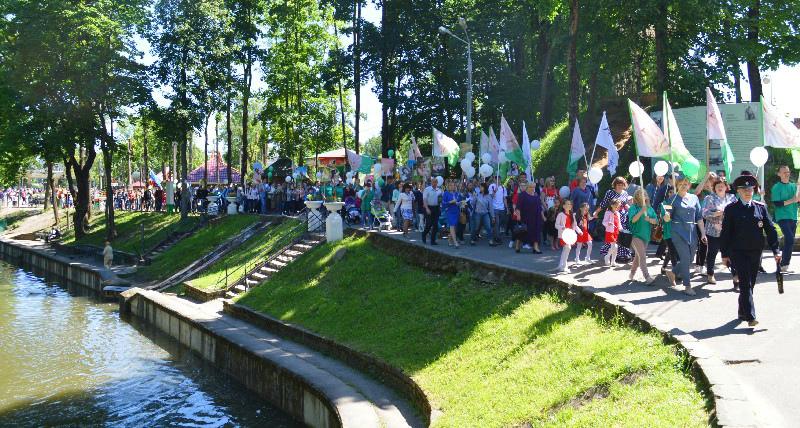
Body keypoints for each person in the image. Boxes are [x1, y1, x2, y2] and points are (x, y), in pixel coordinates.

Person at [720, 174, 780, 327]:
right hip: (738, 253)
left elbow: (771, 230)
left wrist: (776, 250)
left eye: (751, 189)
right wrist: (724, 254)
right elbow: (725, 233)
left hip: (755, 252)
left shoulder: (760, 207)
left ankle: (742, 311)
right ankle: (751, 317)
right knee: (745, 284)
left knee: (750, 284)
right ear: (738, 191)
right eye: (744, 189)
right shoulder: (731, 209)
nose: (748, 191)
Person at [663, 174, 707, 295]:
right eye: (681, 184)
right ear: (677, 185)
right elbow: (667, 217)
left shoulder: (694, 198)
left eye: (686, 183)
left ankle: (672, 272)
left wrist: (703, 233)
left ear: (689, 185)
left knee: (690, 258)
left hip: (692, 231)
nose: (683, 185)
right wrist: (666, 216)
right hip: (677, 231)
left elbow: (699, 217)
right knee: (685, 258)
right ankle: (687, 286)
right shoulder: (671, 198)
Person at [703, 179, 737, 284]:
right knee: (712, 252)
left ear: (727, 187)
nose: (720, 187)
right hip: (713, 231)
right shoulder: (709, 198)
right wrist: (715, 214)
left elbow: (737, 212)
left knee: (732, 254)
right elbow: (704, 213)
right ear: (714, 188)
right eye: (718, 185)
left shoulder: (732, 198)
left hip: (729, 231)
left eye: (722, 185)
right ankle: (710, 274)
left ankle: (736, 276)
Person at [594, 176, 633, 263]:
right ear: (615, 185)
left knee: (622, 235)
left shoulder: (625, 193)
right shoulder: (610, 192)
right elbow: (604, 203)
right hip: (612, 216)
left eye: (621, 184)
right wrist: (596, 212)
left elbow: (625, 205)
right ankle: (610, 254)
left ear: (624, 185)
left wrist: (631, 209)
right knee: (613, 236)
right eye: (618, 184)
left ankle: (621, 254)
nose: (619, 186)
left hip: (622, 218)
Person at [770, 165, 799, 273]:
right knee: (790, 239)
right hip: (782, 217)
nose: (787, 173)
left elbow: (797, 201)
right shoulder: (776, 187)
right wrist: (792, 200)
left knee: (789, 241)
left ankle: (784, 265)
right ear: (779, 174)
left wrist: (798, 198)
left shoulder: (794, 186)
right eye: (784, 172)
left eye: (788, 171)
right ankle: (783, 264)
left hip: (793, 216)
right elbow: (777, 203)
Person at [628, 189, 658, 284]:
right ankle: (647, 277)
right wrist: (641, 211)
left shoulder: (650, 208)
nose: (644, 195)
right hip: (635, 236)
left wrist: (650, 220)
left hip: (646, 236)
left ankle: (631, 274)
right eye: (641, 194)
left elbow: (656, 221)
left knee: (638, 257)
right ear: (637, 196)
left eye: (645, 193)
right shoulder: (633, 208)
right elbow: (633, 220)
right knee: (643, 256)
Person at [516, 181, 544, 253]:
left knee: (536, 232)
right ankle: (518, 244)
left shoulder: (536, 196)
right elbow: (518, 207)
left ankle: (536, 247)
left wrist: (543, 216)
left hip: (536, 217)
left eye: (534, 187)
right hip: (526, 217)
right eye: (531, 187)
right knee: (523, 232)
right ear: (527, 187)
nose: (532, 188)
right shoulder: (522, 195)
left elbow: (540, 208)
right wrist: (518, 215)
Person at [555, 200, 581, 273]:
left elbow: (574, 225)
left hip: (570, 235)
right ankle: (564, 266)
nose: (569, 205)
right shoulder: (560, 214)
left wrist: (579, 231)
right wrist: (562, 227)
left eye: (570, 204)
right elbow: (556, 225)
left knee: (565, 250)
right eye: (567, 204)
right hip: (563, 234)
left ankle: (561, 265)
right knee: (568, 248)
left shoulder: (572, 215)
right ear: (563, 206)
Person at [421, 178, 442, 245]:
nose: (434, 183)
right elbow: (424, 200)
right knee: (429, 224)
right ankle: (424, 234)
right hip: (428, 207)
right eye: (433, 182)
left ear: (437, 183)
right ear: (431, 182)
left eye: (436, 182)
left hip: (436, 208)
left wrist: (440, 207)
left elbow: (440, 200)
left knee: (435, 225)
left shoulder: (439, 190)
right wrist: (427, 208)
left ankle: (433, 241)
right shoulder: (427, 189)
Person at [442, 181, 462, 248]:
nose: (452, 186)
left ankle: (450, 239)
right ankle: (455, 242)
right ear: (448, 186)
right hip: (449, 211)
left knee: (454, 227)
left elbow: (459, 201)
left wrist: (460, 202)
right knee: (452, 225)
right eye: (451, 185)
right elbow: (443, 203)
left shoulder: (457, 193)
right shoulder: (446, 193)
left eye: (453, 185)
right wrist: (451, 202)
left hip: (456, 211)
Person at [602, 199, 622, 266]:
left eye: (618, 205)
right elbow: (604, 222)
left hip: (616, 232)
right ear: (611, 205)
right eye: (616, 205)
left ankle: (613, 262)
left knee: (615, 247)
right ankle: (607, 256)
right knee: (615, 246)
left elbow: (619, 223)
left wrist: (621, 229)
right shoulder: (608, 212)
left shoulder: (618, 213)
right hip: (610, 232)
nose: (617, 207)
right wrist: (608, 223)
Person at [489, 178, 508, 244]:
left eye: (499, 179)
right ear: (494, 180)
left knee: (499, 223)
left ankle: (495, 235)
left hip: (502, 208)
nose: (497, 181)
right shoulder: (491, 186)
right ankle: (497, 238)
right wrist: (494, 191)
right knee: (496, 223)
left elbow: (504, 198)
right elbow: (490, 197)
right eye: (496, 179)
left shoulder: (503, 188)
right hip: (494, 208)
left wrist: (507, 208)